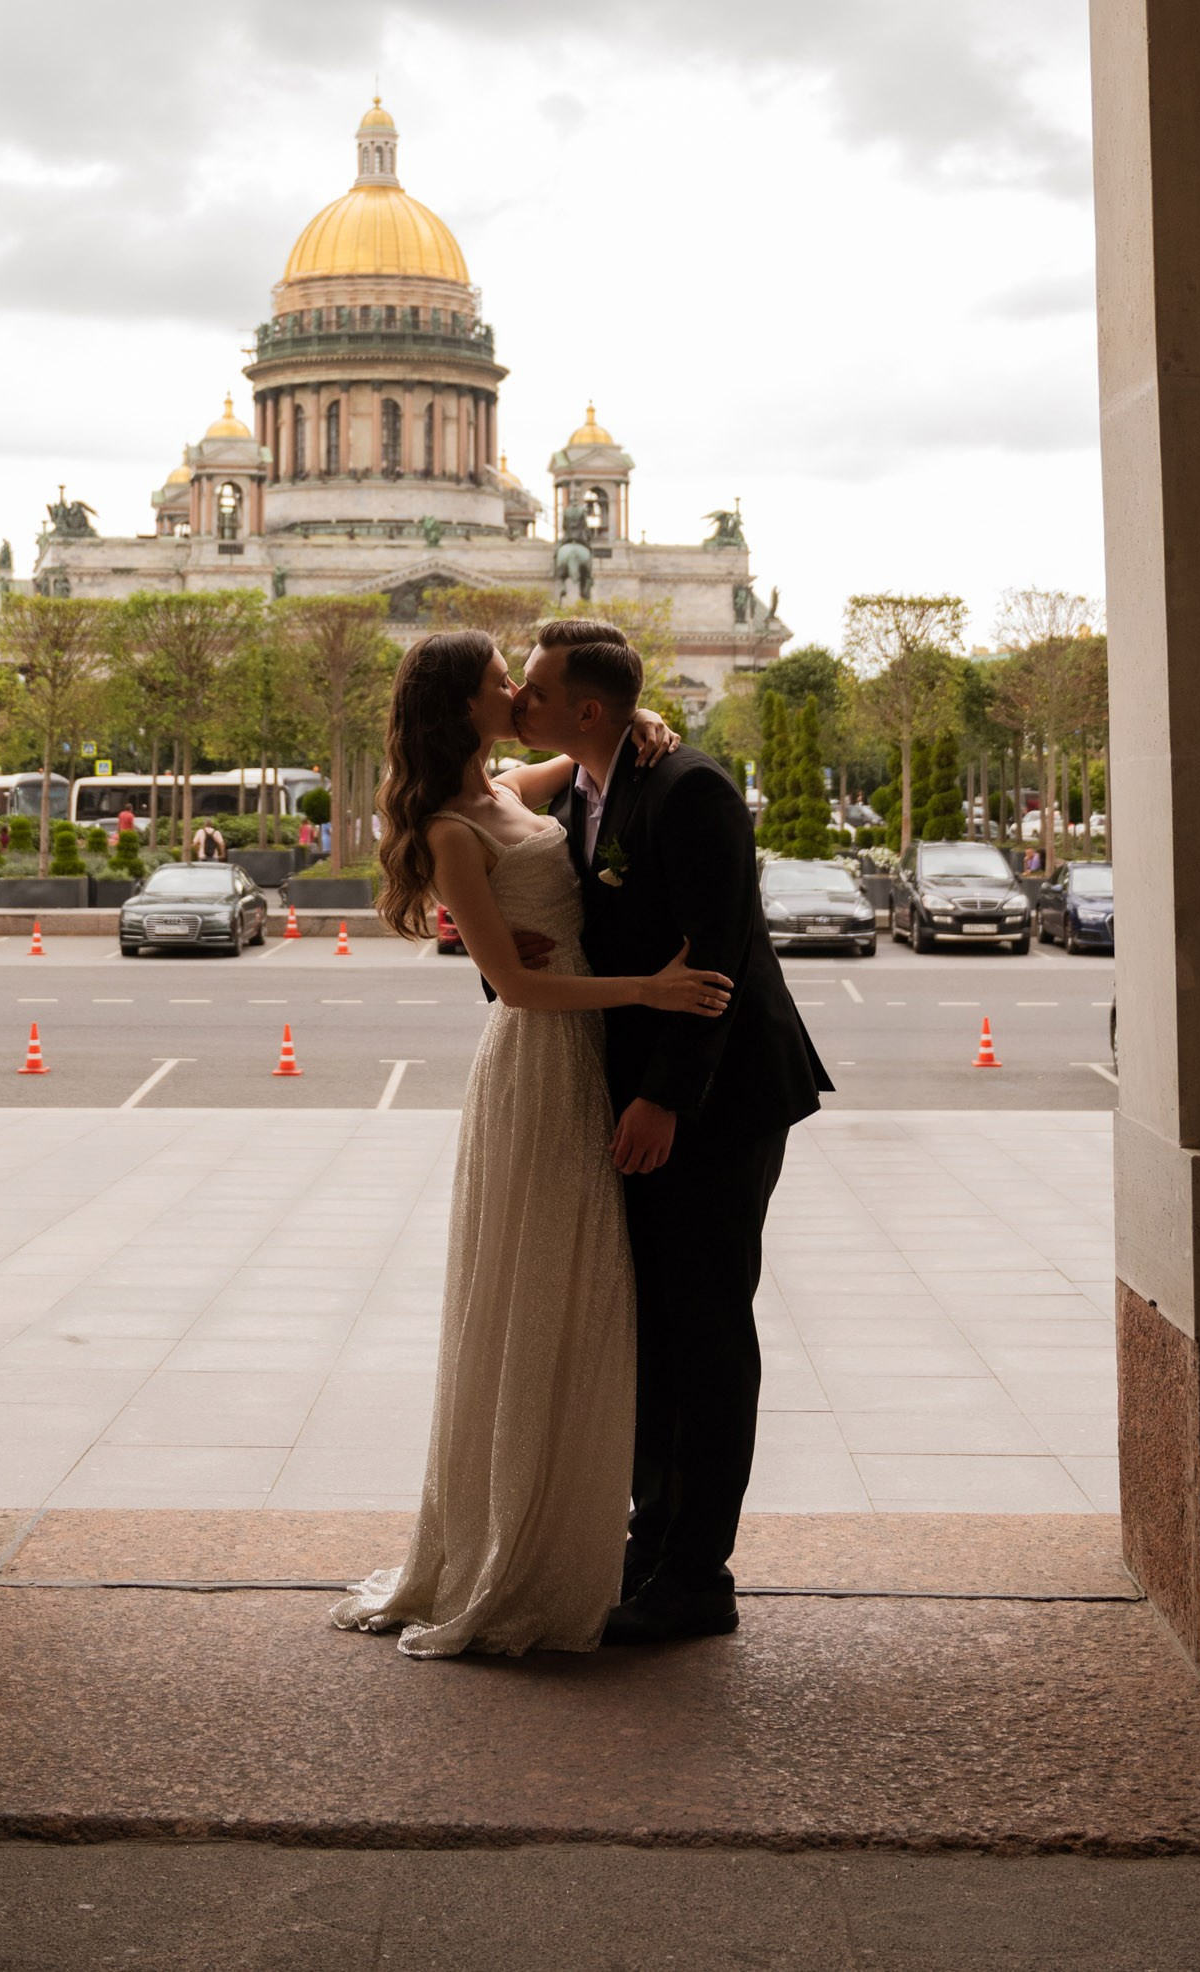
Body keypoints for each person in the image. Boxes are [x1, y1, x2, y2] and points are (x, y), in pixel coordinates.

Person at [331, 628, 725, 1657]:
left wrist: (641, 717)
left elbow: (597, 744)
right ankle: (516, 1545)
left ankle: (565, 1532)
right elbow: (512, 983)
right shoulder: (452, 827)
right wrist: (648, 989)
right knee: (538, 1288)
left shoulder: (511, 785)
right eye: (501, 680)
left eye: (522, 679)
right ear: (461, 704)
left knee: (580, 1292)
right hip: (542, 1064)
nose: (516, 691)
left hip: (587, 1053)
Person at [510, 617, 831, 1645]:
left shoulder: (689, 788)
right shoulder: (581, 787)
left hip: (718, 1099)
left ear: (584, 707)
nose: (517, 701)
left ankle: (698, 1575)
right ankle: (652, 1543)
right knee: (655, 1329)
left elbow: (717, 954)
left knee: (706, 1331)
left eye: (533, 688)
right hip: (639, 1095)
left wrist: (663, 1099)